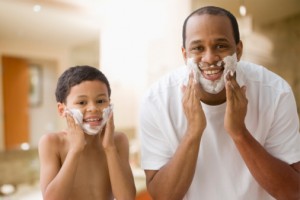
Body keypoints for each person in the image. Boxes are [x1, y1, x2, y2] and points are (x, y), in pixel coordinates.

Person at [138, 6, 300, 200]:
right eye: (198, 48)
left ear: (238, 51)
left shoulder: (275, 92)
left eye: (221, 46)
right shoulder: (156, 101)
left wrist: (239, 132)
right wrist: (193, 132)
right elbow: (163, 196)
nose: (210, 58)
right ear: (184, 55)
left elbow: (293, 191)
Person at [38, 65, 136, 200]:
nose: (93, 108)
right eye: (82, 102)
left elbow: (127, 198)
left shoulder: (118, 140)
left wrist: (110, 148)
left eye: (101, 101)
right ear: (62, 110)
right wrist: (75, 150)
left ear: (110, 104)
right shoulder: (52, 142)